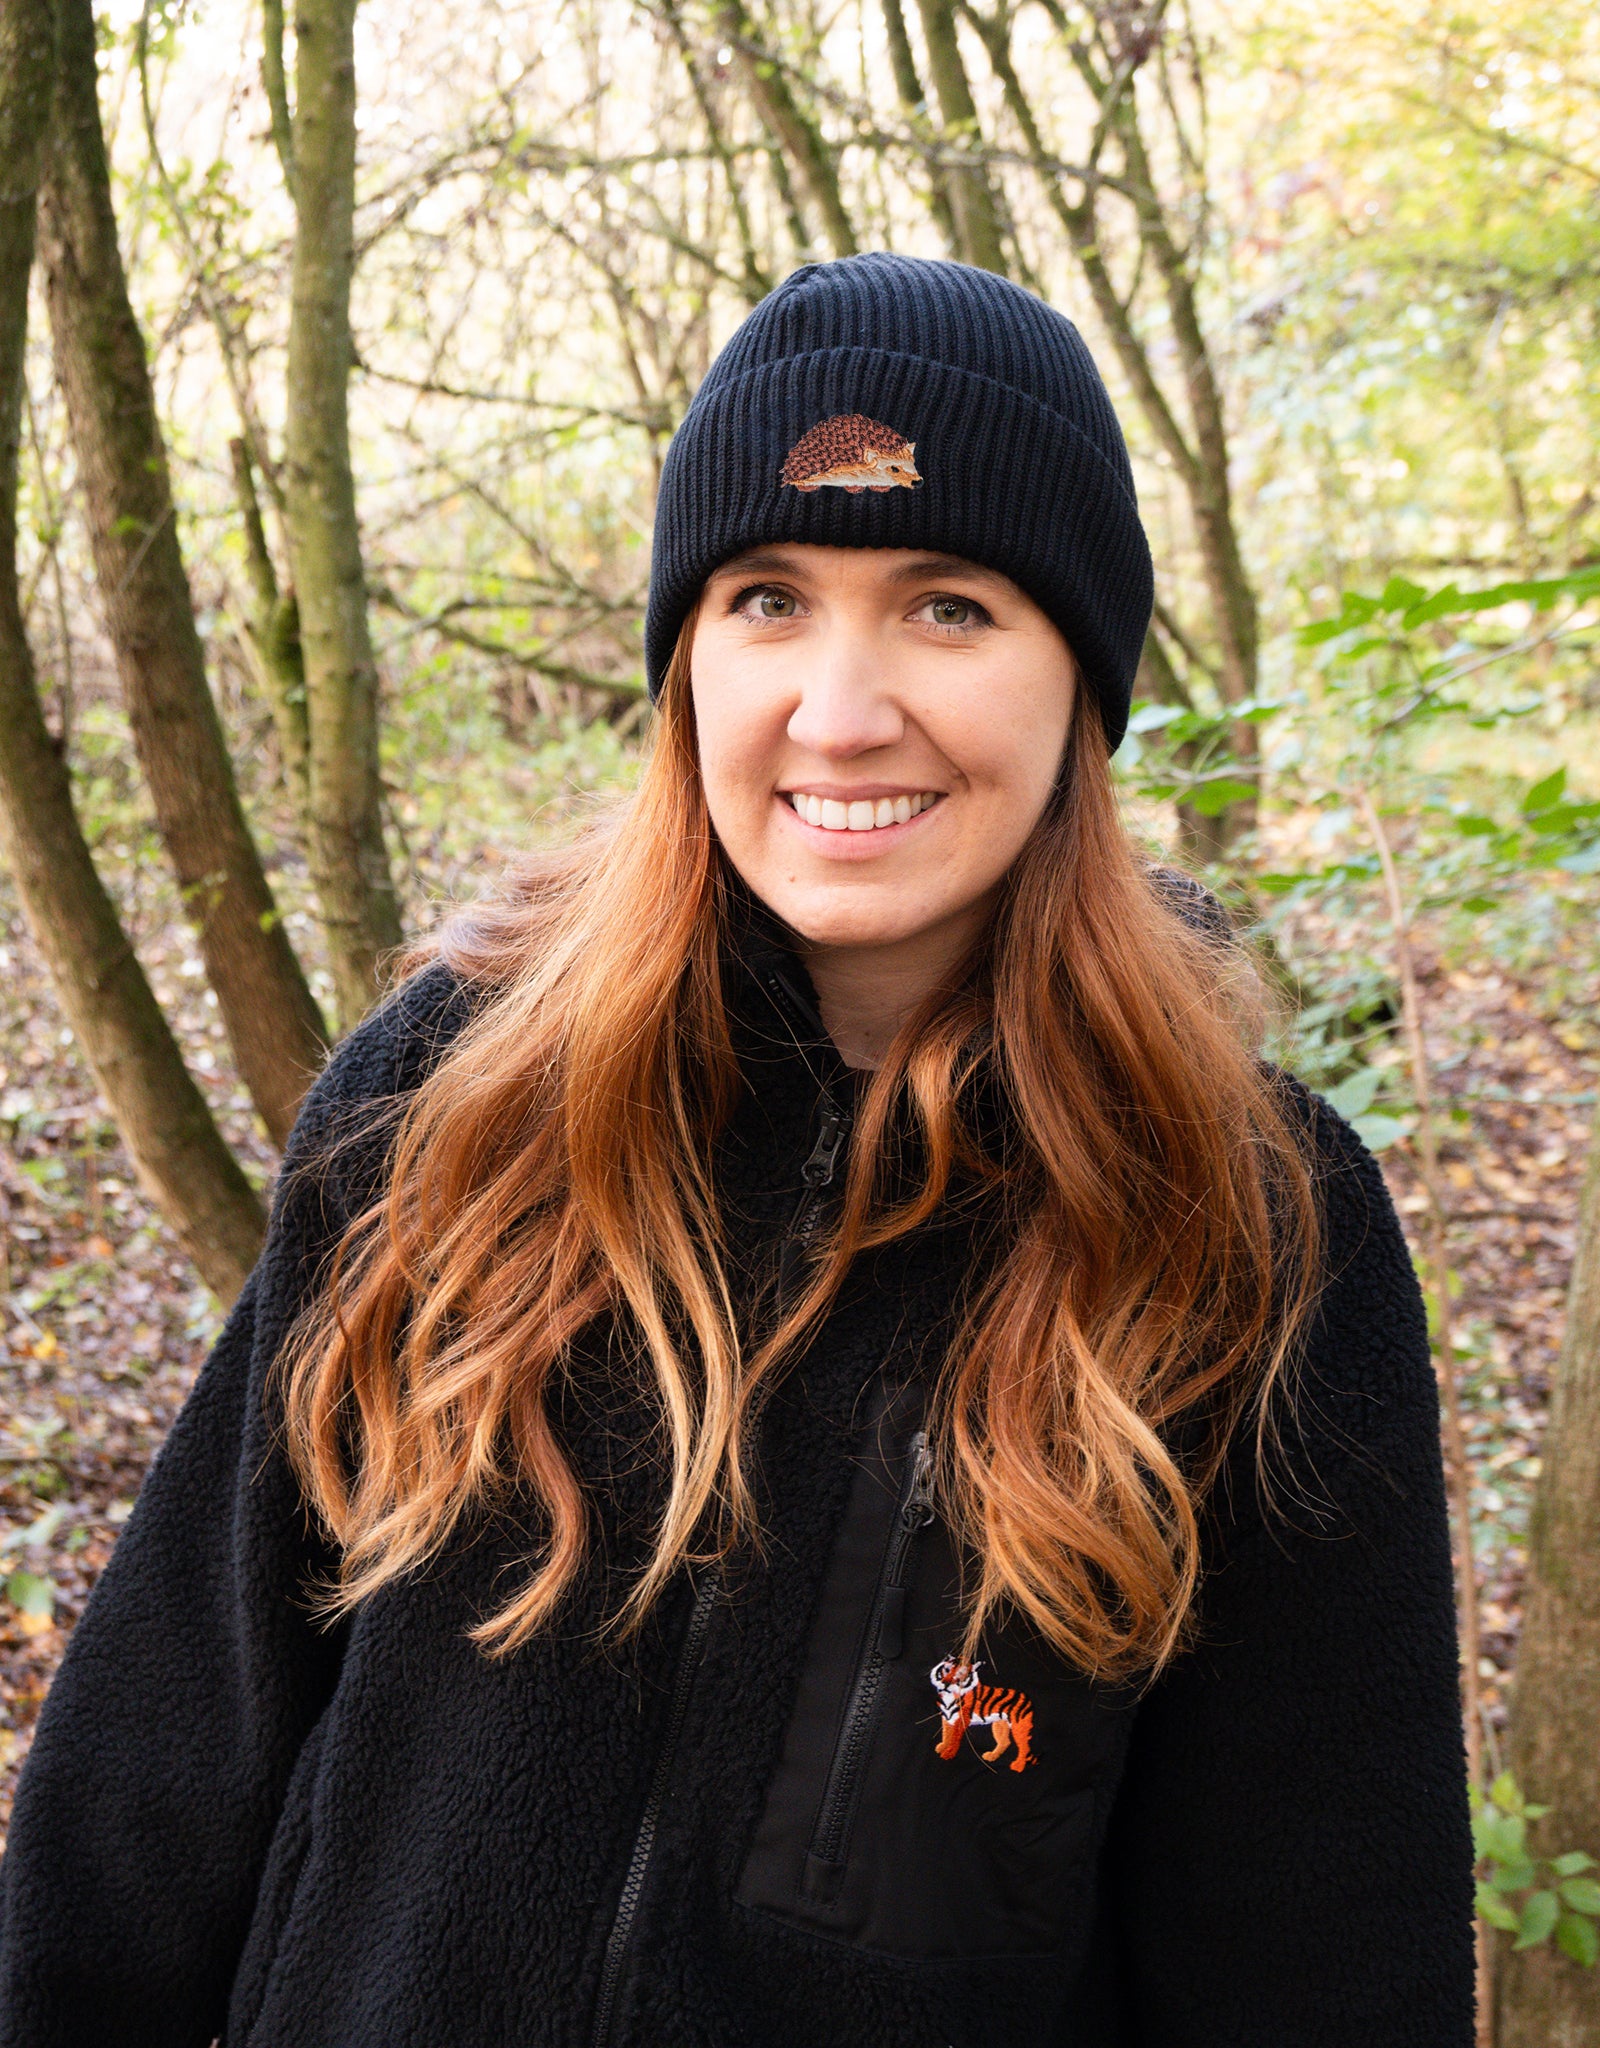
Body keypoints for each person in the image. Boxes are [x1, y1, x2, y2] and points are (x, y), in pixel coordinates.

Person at [0, 253, 1475, 2047]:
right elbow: (155, 1774)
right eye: (769, 599)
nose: (840, 711)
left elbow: (1324, 1953)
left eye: (948, 608)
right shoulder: (450, 1102)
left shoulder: (1247, 1226)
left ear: (1080, 682)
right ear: (685, 661)